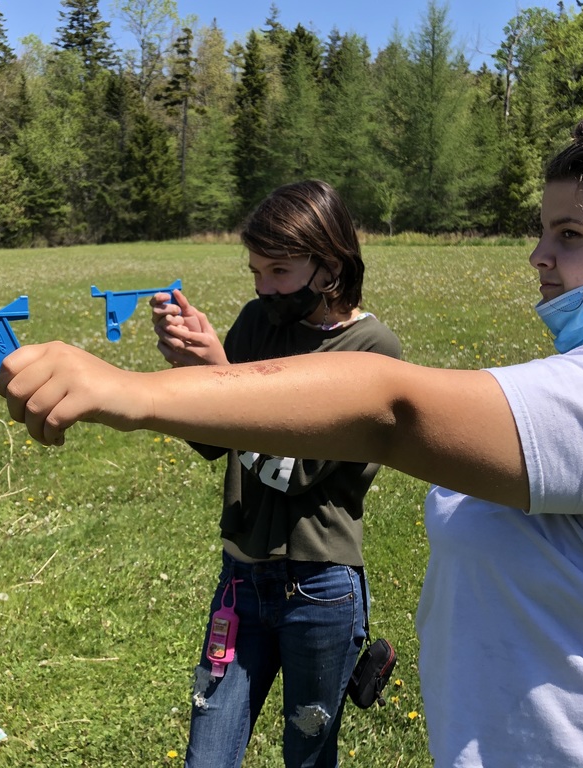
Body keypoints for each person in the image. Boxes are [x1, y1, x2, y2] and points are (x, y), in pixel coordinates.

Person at [0, 65, 583, 766]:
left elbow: (386, 406)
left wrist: (129, 392)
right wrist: (213, 380)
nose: (538, 256)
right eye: (545, 230)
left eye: (571, 235)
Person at [156, 180, 401, 767]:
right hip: (241, 579)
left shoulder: (373, 352)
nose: (265, 288)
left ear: (330, 266)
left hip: (319, 588)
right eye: (256, 272)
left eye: (280, 272)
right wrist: (195, 376)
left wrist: (223, 380)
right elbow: (214, 442)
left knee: (308, 755)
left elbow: (292, 471)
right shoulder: (258, 321)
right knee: (206, 754)